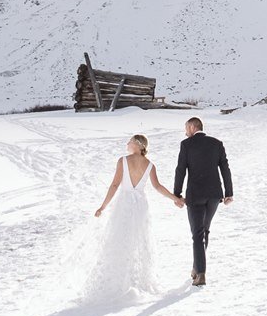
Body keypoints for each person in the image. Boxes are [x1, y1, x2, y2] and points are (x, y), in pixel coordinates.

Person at [85, 133, 179, 302]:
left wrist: (103, 206)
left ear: (137, 144)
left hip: (124, 204)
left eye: (129, 142)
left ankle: (119, 279)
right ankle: (136, 280)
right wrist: (176, 199)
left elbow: (115, 185)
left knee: (119, 239)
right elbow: (157, 187)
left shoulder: (123, 160)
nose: (127, 144)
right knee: (138, 240)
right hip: (141, 206)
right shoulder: (150, 165)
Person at [171, 116, 233, 286]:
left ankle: (200, 274)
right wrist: (229, 193)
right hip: (214, 195)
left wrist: (177, 193)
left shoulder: (186, 145)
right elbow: (225, 168)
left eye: (186, 128)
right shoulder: (217, 143)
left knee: (197, 235)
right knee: (205, 231)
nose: (185, 132)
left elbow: (180, 170)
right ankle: (197, 267)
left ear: (192, 127)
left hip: (195, 195)